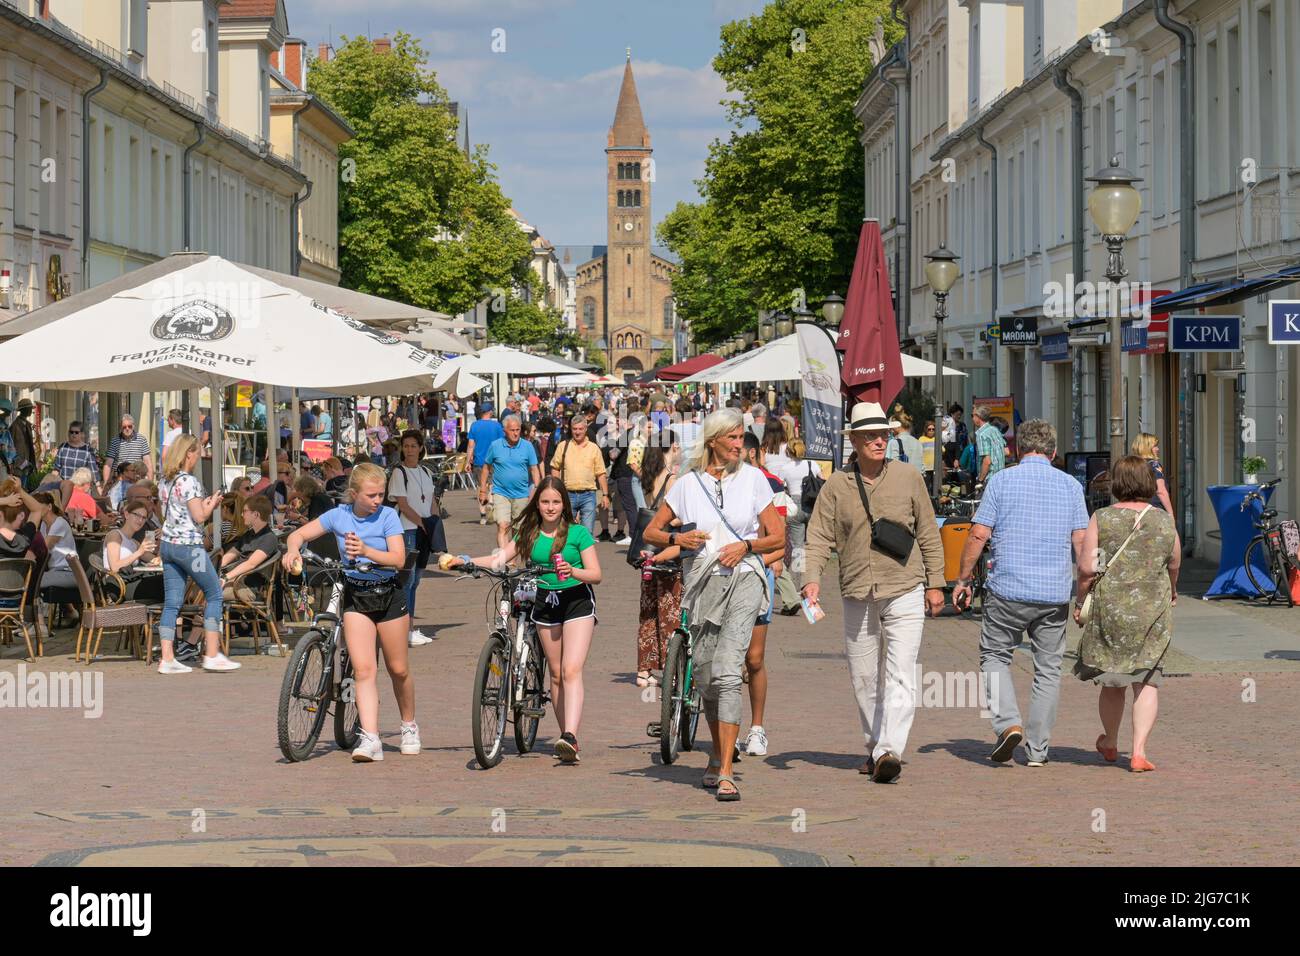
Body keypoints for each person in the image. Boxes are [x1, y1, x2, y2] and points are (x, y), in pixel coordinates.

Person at [801, 402, 947, 783]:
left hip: (905, 585)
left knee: (901, 672)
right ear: (854, 440)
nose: (880, 441)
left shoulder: (908, 476)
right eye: (871, 435)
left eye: (884, 434)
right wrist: (811, 578)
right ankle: (875, 744)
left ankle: (889, 749)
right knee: (864, 675)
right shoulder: (836, 485)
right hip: (856, 587)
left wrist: (935, 583)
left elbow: (929, 532)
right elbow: (817, 537)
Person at [642, 409, 784, 801]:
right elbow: (652, 530)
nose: (740, 444)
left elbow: (779, 537)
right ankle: (718, 753)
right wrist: (678, 540)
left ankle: (725, 770)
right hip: (701, 584)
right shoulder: (688, 484)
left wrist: (747, 546)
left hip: (744, 581)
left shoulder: (754, 480)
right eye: (733, 438)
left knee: (725, 670)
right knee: (704, 676)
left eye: (742, 437)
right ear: (713, 441)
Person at [953, 419, 1088, 766]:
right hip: (1054, 593)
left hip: (1007, 589)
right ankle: (1038, 751)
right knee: (1048, 670)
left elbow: (979, 534)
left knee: (995, 657)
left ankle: (1008, 722)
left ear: (1016, 450)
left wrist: (963, 579)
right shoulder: (1071, 486)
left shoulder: (1001, 480)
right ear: (1054, 451)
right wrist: (1086, 591)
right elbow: (1081, 543)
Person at [447, 476, 602, 764]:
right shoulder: (529, 532)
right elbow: (500, 559)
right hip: (544, 603)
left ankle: (570, 734)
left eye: (556, 502)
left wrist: (573, 571)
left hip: (576, 601)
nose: (550, 507)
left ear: (564, 504)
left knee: (570, 669)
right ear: (537, 504)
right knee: (555, 673)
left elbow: (596, 574)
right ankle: (565, 737)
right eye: (545, 502)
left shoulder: (578, 533)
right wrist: (465, 560)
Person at [283, 463, 415, 762]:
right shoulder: (338, 516)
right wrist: (292, 549)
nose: (378, 500)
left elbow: (398, 558)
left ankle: (408, 724)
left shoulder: (389, 517)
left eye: (381, 494)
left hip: (388, 595)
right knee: (364, 670)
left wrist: (367, 551)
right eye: (371, 495)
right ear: (354, 494)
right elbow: (299, 535)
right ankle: (371, 738)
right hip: (356, 595)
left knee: (398, 669)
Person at [1073, 455, 1181, 772]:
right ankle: (1139, 751)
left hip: (1111, 608)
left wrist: (1080, 602)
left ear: (1117, 483)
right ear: (1148, 483)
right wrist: (1172, 589)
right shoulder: (1164, 521)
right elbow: (1174, 563)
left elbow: (1087, 568)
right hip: (1152, 609)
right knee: (1147, 679)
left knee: (1113, 680)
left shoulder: (1102, 518)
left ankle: (1109, 740)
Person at [156, 434, 239, 673]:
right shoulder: (189, 482)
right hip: (189, 547)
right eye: (198, 452)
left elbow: (179, 512)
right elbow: (199, 516)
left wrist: (207, 502)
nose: (199, 457)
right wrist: (211, 505)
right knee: (214, 593)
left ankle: (167, 658)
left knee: (172, 603)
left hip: (168, 544)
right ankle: (212, 653)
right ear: (188, 454)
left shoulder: (165, 481)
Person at [635, 440, 681, 687]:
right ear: (673, 447)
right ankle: (672, 670)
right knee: (669, 610)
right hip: (665, 548)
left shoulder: (648, 477)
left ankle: (644, 671)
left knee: (648, 611)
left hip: (646, 551)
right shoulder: (671, 479)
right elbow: (673, 518)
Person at [388, 430, 436, 647]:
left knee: (415, 581)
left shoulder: (426, 471)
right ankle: (403, 630)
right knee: (406, 581)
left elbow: (432, 500)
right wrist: (423, 523)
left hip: (424, 529)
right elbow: (403, 505)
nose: (409, 450)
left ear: (420, 448)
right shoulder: (399, 473)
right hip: (408, 529)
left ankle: (410, 627)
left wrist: (435, 523)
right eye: (405, 446)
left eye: (413, 446)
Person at [479, 414, 540, 552]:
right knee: (503, 525)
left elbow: (534, 469)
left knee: (518, 530)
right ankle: (506, 560)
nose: (516, 433)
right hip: (501, 492)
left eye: (518, 430)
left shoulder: (527, 446)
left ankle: (513, 556)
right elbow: (486, 468)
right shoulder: (495, 446)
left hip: (522, 494)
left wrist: (536, 489)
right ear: (504, 431)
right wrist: (483, 490)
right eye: (512, 430)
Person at [549, 415, 609, 535]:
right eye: (575, 429)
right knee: (566, 532)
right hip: (567, 494)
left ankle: (584, 554)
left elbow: (601, 473)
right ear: (571, 429)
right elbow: (555, 467)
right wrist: (556, 488)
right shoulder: (563, 446)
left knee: (586, 533)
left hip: (588, 495)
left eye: (580, 429)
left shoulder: (594, 448)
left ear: (586, 429)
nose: (577, 432)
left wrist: (605, 495)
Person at [465, 406, 504, 526]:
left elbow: (471, 445)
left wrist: (467, 461)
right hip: (494, 460)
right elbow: (502, 444)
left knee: (481, 486)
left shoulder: (475, 426)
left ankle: (483, 515)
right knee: (492, 484)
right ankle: (491, 503)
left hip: (479, 461)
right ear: (490, 412)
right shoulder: (497, 426)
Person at [1130, 432, 1175, 514]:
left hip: (1134, 510)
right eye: (1155, 446)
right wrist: (1171, 514)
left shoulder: (1131, 465)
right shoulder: (1154, 465)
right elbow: (1161, 491)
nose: (1158, 449)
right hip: (1154, 511)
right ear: (1146, 448)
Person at [103, 415, 153, 484]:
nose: (127, 429)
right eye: (124, 427)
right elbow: (108, 464)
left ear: (133, 426)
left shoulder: (141, 440)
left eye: (129, 426)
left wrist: (150, 484)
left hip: (137, 481)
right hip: (120, 481)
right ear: (121, 428)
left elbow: (147, 462)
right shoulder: (115, 441)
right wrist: (106, 484)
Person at [972, 404, 1006, 484]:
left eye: (972, 415)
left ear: (978, 417)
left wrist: (980, 480)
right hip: (1000, 477)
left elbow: (987, 461)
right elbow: (1006, 451)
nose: (972, 418)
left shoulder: (981, 435)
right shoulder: (995, 430)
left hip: (989, 479)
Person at [885, 408, 926, 475]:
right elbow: (922, 466)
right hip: (916, 480)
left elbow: (890, 466)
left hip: (900, 480)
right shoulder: (918, 442)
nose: (890, 429)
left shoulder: (893, 443)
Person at [11, 398, 38, 488]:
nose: (31, 410)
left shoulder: (28, 425)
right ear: (23, 410)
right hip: (18, 467)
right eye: (29, 408)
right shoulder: (14, 427)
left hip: (28, 466)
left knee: (26, 492)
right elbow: (11, 448)